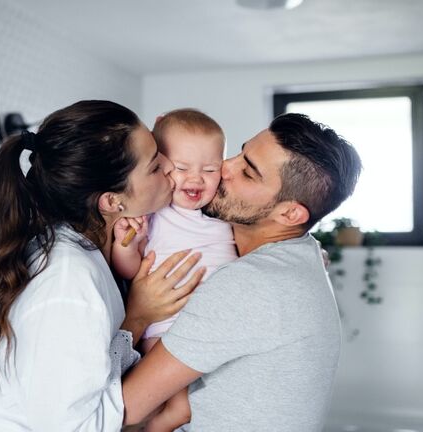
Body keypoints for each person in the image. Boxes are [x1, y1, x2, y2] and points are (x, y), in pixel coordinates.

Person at [0, 100, 206, 431]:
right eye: (153, 165)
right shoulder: (67, 282)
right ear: (111, 201)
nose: (169, 165)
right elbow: (73, 426)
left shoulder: (91, 250)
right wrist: (138, 317)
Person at [122, 113, 363, 431]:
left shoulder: (251, 285)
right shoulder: (299, 253)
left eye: (247, 173)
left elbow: (124, 409)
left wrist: (137, 316)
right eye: (238, 153)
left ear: (290, 213)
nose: (224, 168)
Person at [111, 109, 238, 431]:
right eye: (182, 168)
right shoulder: (155, 211)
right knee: (178, 409)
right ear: (161, 166)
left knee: (212, 398)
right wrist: (126, 246)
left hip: (214, 327)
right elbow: (131, 271)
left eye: (210, 170)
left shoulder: (223, 211)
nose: (196, 179)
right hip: (165, 327)